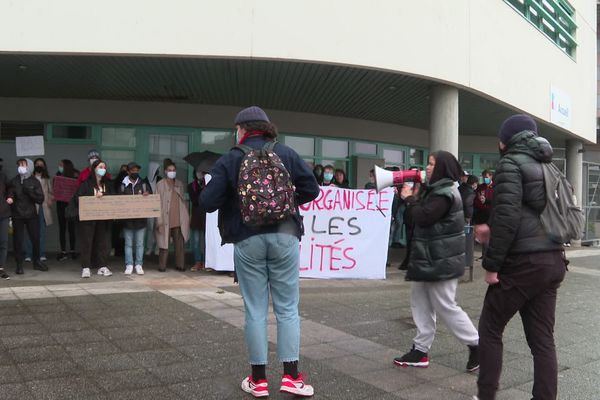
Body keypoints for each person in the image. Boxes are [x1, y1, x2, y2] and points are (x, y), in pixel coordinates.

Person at [201, 106, 319, 398]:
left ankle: (259, 380)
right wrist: (286, 203)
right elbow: (312, 190)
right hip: (285, 235)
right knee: (288, 308)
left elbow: (207, 202)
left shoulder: (230, 158)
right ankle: (291, 376)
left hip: (247, 237)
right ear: (267, 129)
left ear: (242, 129)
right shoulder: (287, 154)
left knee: (255, 310)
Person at [476, 115, 566, 400]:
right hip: (553, 259)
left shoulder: (510, 164)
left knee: (490, 326)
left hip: (524, 263)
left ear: (507, 139)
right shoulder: (549, 165)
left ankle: (486, 394)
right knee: (542, 340)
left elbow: (506, 218)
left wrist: (491, 266)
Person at [393, 151, 479, 373]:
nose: (427, 167)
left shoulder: (445, 193)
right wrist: (415, 196)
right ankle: (420, 350)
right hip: (429, 258)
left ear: (443, 167)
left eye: (432, 164)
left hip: (441, 260)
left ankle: (477, 346)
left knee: (445, 305)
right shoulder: (436, 190)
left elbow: (421, 216)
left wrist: (409, 198)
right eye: (428, 163)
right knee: (420, 302)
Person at [6, 159, 47, 274]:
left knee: (35, 238)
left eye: (23, 164)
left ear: (29, 166)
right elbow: (10, 193)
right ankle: (19, 264)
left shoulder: (34, 181)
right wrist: (10, 198)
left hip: (31, 214)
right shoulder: (14, 181)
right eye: (19, 164)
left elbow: (40, 199)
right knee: (18, 240)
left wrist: (30, 193)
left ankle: (37, 261)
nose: (20, 167)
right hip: (17, 214)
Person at [74, 159, 113, 278]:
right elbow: (78, 198)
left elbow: (113, 197)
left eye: (104, 167)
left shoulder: (107, 183)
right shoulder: (86, 183)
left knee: (102, 242)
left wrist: (104, 196)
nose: (103, 169)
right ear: (94, 169)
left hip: (102, 218)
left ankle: (102, 266)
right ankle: (86, 267)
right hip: (88, 219)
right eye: (100, 167)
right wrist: (94, 198)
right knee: (87, 242)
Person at [156, 162, 190, 272]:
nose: (172, 172)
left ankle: (180, 265)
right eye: (170, 170)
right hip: (165, 218)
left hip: (179, 218)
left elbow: (183, 200)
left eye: (174, 170)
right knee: (163, 244)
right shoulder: (160, 184)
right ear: (165, 171)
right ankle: (162, 266)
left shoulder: (179, 184)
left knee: (179, 243)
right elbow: (157, 203)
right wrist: (159, 221)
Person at [120, 162, 151, 275]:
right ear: (128, 172)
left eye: (137, 170)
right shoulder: (123, 185)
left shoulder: (143, 184)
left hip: (140, 220)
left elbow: (151, 200)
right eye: (132, 170)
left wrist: (147, 195)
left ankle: (138, 264)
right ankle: (129, 264)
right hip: (127, 220)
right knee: (128, 244)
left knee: (139, 244)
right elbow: (118, 201)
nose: (135, 172)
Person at [24, 158, 53, 262]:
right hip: (31, 207)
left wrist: (50, 199)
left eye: (41, 164)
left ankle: (41, 253)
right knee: (29, 231)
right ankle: (28, 254)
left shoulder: (47, 179)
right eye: (37, 164)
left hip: (43, 208)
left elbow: (51, 192)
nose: (39, 166)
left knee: (41, 232)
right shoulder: (29, 178)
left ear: (44, 166)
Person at [55, 159, 79, 261]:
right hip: (60, 205)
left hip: (72, 205)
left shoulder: (76, 175)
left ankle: (73, 250)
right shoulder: (58, 175)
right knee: (62, 228)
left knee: (72, 229)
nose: (59, 166)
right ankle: (63, 251)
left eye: (61, 165)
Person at [188, 169, 207, 271]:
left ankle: (205, 261)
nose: (200, 174)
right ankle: (197, 261)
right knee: (195, 241)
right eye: (198, 172)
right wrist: (201, 190)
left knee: (204, 241)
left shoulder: (208, 185)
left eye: (202, 172)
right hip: (196, 216)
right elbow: (195, 200)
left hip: (205, 216)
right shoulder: (191, 186)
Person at [145, 161, 161, 256]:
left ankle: (157, 248)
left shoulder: (160, 180)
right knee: (150, 229)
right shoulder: (144, 182)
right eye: (156, 170)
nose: (158, 172)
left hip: (158, 208)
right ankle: (149, 248)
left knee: (158, 228)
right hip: (149, 209)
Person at [0, 159, 11, 279]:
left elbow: (10, 188)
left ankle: (1, 268)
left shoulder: (3, 176)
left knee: (3, 242)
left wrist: (10, 197)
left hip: (3, 214)